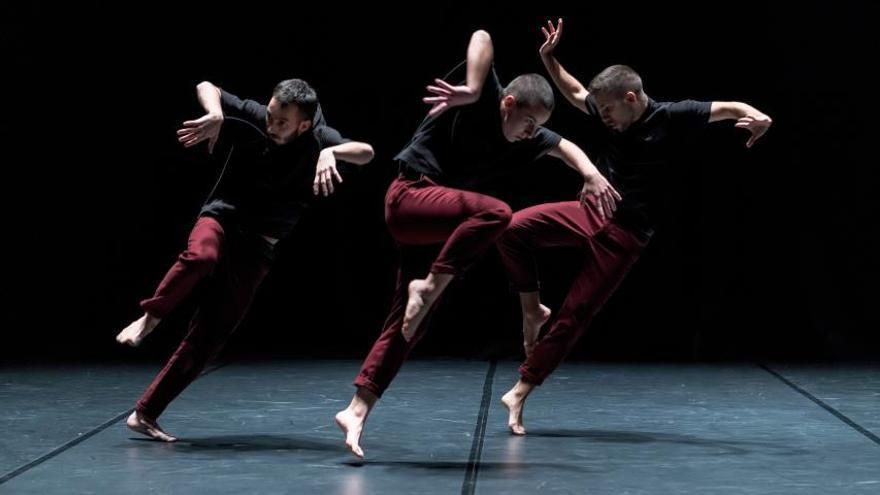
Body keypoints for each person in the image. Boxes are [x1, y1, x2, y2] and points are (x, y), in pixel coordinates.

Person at [334, 29, 619, 458]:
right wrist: (470, 87)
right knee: (498, 213)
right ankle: (429, 286)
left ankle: (357, 409)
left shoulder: (527, 136)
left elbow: (565, 147)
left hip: (436, 226)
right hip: (409, 196)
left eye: (538, 128)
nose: (532, 134)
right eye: (529, 123)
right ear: (508, 103)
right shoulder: (484, 99)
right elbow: (483, 36)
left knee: (409, 324)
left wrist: (591, 174)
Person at [498, 19, 773, 435]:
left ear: (631, 98)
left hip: (626, 236)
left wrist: (759, 117)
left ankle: (520, 391)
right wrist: (548, 58)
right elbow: (574, 91)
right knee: (512, 228)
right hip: (593, 210)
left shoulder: (673, 116)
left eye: (608, 110)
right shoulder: (606, 108)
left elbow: (729, 107)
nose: (603, 117)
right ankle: (532, 308)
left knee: (575, 314)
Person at [115, 78, 375, 441]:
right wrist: (215, 113)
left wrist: (334, 153)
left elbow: (367, 152)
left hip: (257, 247)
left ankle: (145, 413)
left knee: (210, 335)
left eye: (282, 122)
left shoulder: (320, 138)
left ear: (303, 125)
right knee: (201, 256)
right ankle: (151, 317)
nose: (272, 126)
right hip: (223, 219)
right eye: (270, 116)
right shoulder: (257, 115)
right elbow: (206, 85)